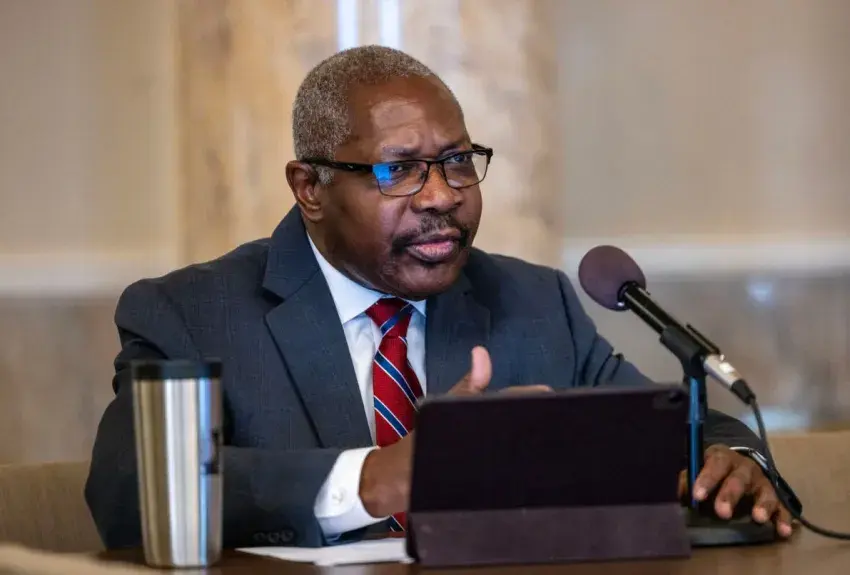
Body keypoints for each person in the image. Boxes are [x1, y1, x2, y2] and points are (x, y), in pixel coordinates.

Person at [85, 45, 794, 549]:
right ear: (309, 188)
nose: (442, 196)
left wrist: (734, 461)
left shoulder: (530, 302)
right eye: (399, 171)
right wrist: (374, 478)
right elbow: (129, 491)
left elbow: (670, 430)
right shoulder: (194, 314)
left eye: (457, 161)